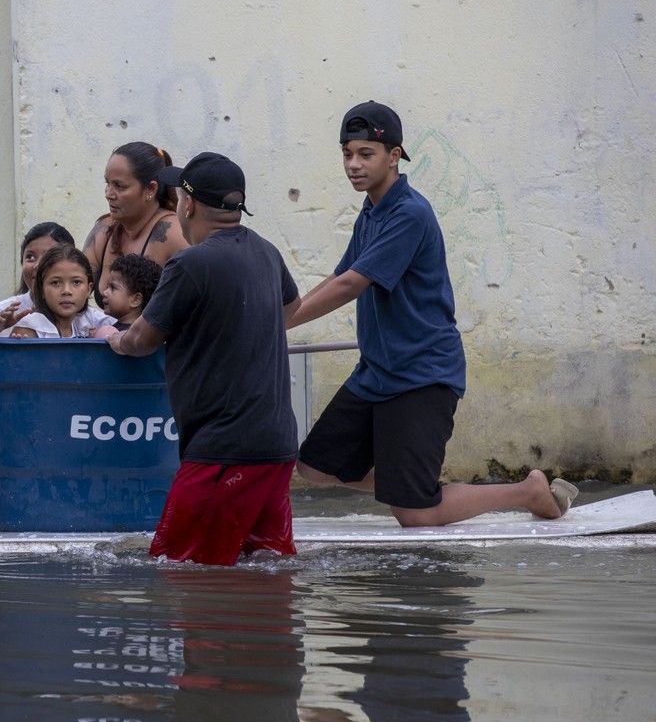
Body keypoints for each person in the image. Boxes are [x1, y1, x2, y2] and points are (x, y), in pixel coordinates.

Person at [287, 100, 578, 526]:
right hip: (378, 372)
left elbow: (351, 286)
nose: (353, 164)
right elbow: (339, 275)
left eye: (366, 154)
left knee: (415, 514)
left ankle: (526, 491)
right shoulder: (371, 211)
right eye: (347, 154)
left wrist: (277, 323)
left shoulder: (409, 213)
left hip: (421, 374)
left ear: (394, 156)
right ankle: (409, 482)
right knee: (315, 468)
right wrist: (283, 316)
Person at [108, 152, 301, 565]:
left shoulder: (191, 263)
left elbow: (142, 340)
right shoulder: (267, 253)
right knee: (267, 573)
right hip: (278, 449)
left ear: (189, 204)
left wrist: (113, 338)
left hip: (223, 452)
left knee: (178, 569)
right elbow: (291, 308)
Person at [84, 142, 189, 304]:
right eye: (107, 183)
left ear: (150, 189)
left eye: (119, 186)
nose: (109, 194)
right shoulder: (104, 230)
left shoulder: (173, 234)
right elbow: (73, 285)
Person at [0, 222, 74, 336]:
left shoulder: (84, 316)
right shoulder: (3, 312)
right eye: (30, 257)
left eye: (48, 257)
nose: (37, 265)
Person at [9, 245, 115, 338]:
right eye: (55, 283)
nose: (66, 291)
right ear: (42, 290)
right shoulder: (29, 329)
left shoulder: (89, 321)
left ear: (88, 289)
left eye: (76, 282)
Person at [99, 253, 162, 332]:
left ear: (135, 300)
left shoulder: (126, 335)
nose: (104, 292)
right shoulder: (142, 333)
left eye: (113, 288)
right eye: (107, 287)